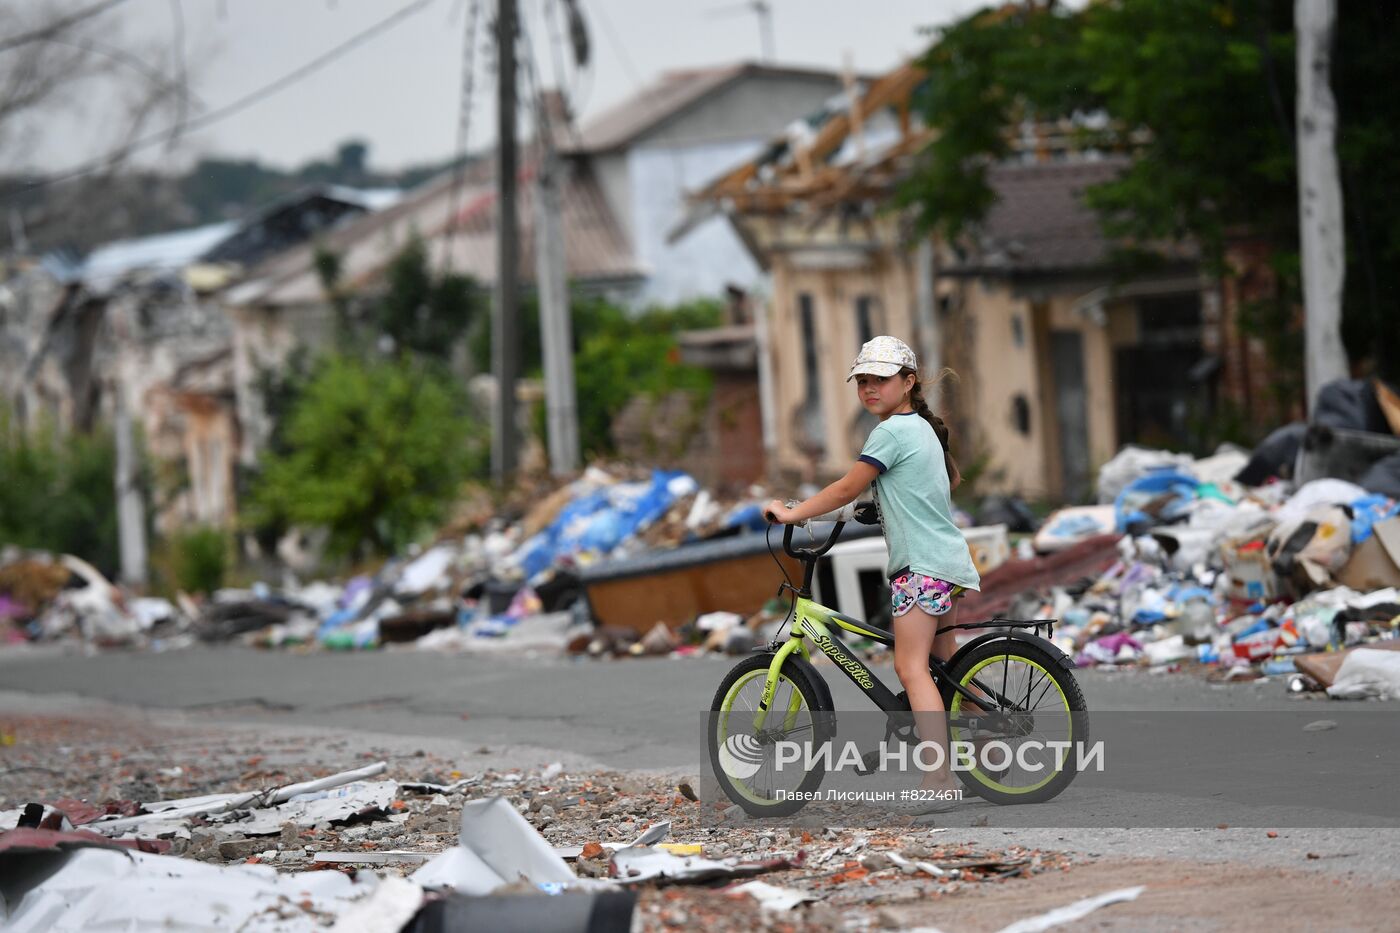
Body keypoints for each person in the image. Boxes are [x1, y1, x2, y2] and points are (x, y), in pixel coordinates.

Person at [764, 335, 979, 811]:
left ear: (908, 382)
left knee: (911, 667)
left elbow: (846, 487)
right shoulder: (923, 428)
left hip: (921, 565)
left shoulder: (890, 433)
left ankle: (940, 780)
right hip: (947, 560)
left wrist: (793, 514)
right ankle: (990, 738)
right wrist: (857, 511)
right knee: (945, 670)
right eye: (862, 380)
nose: (869, 388)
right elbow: (892, 493)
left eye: (880, 379)